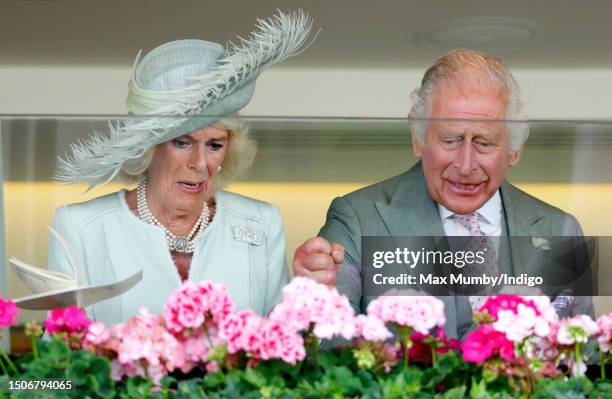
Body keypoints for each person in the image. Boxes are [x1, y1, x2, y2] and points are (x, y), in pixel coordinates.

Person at [293, 49, 594, 339]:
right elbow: (327, 356)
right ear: (418, 137)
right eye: (450, 140)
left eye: (485, 143)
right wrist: (311, 303)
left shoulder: (561, 230)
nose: (465, 166)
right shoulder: (357, 219)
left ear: (515, 148)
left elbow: (585, 361)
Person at [48, 10, 313, 325]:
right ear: (149, 147)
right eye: (182, 143)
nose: (200, 164)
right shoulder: (82, 228)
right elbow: (61, 360)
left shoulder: (261, 222)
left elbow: (280, 345)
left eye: (214, 145)